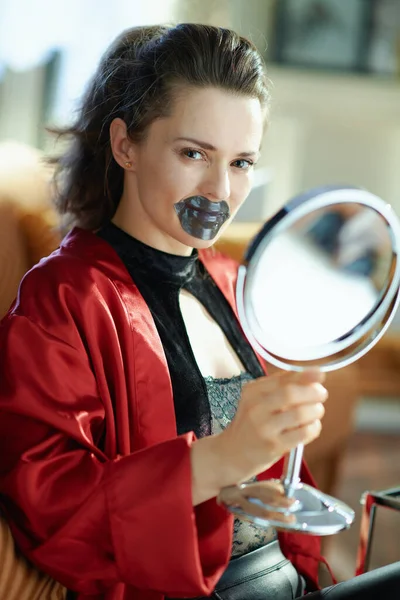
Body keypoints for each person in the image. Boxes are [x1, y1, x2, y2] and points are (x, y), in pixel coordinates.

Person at [0, 23, 398, 600]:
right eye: (194, 154)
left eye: (241, 163)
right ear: (125, 146)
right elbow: (51, 505)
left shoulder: (232, 279)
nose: (218, 190)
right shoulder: (64, 299)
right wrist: (216, 459)